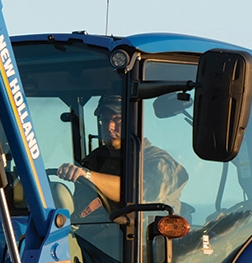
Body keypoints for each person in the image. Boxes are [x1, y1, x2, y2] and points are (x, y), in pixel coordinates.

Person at [54, 94, 187, 222]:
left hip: (145, 240)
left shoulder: (160, 161)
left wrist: (88, 175)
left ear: (133, 122)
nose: (109, 127)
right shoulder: (94, 160)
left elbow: (140, 194)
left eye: (117, 120)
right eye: (105, 120)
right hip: (92, 237)